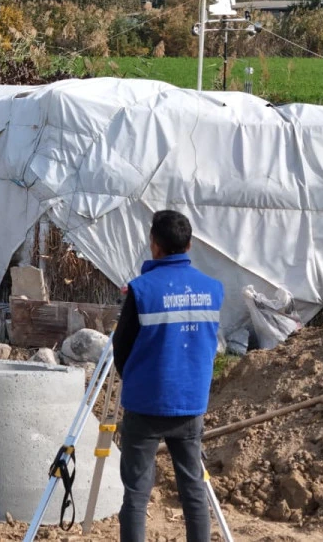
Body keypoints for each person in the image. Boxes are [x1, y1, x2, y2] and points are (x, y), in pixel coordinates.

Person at [113, 210, 223, 542]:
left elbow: (122, 348)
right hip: (191, 403)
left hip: (146, 403)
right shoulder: (213, 289)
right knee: (193, 489)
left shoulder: (141, 290)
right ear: (189, 245)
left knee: (136, 491)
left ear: (155, 246)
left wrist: (136, 378)